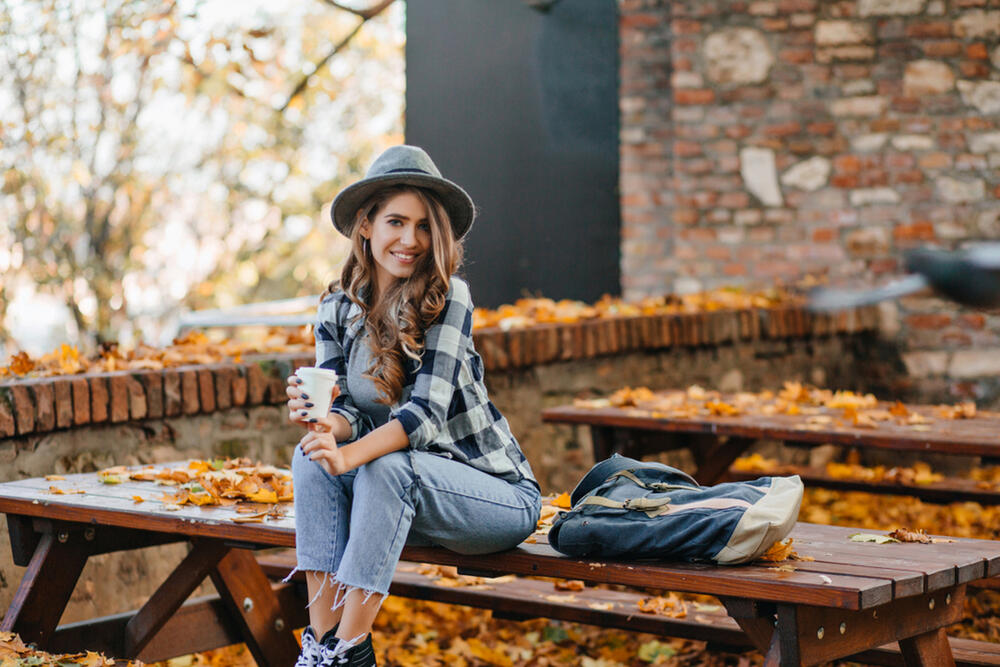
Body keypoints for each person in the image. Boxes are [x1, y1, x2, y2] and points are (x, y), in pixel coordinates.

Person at [285, 145, 541, 666]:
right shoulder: (337, 305)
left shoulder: (450, 298)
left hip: (491, 494)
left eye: (424, 227)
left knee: (387, 467)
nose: (410, 240)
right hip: (399, 490)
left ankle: (351, 652)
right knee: (308, 459)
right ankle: (323, 643)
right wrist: (325, 422)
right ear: (365, 225)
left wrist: (350, 456)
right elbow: (352, 416)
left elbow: (422, 418)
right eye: (396, 222)